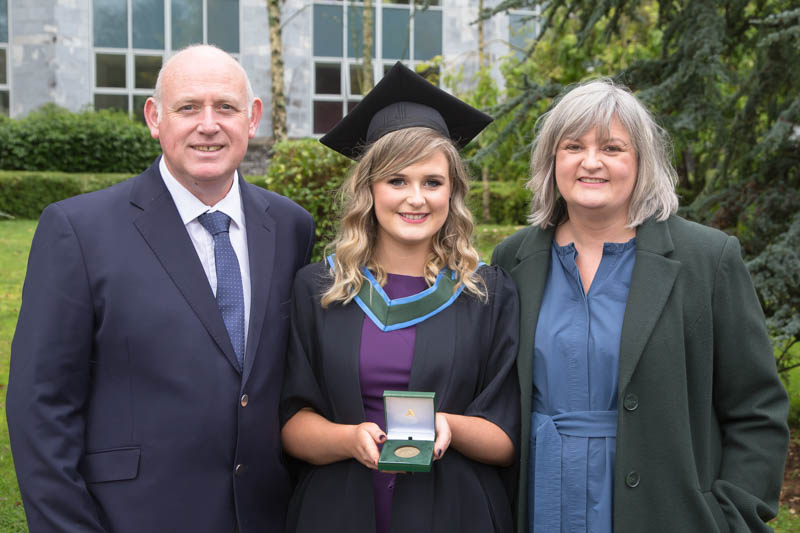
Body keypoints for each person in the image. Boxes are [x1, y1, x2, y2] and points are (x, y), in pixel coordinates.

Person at [6, 44, 315, 533]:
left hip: (264, 514)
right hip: (133, 517)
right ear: (155, 117)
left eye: (226, 107)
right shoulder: (79, 230)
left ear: (252, 118)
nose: (208, 124)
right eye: (188, 107)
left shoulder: (291, 226)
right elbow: (41, 407)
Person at [492, 78, 790, 533]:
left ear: (641, 162)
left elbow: (757, 409)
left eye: (612, 148)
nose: (591, 162)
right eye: (574, 146)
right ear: (553, 160)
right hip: (540, 504)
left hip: (667, 512)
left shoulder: (706, 260)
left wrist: (732, 517)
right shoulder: (513, 260)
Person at [279, 62, 521, 533]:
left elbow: (506, 438)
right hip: (338, 511)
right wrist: (349, 438)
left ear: (453, 193)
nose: (416, 198)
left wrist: (449, 426)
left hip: (456, 512)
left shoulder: (486, 293)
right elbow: (291, 423)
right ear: (369, 189)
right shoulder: (321, 289)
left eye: (433, 182)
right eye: (396, 181)